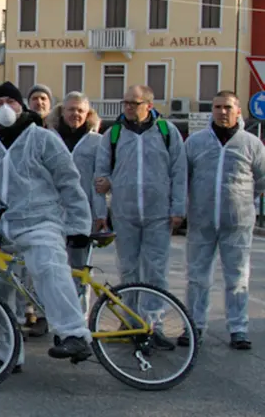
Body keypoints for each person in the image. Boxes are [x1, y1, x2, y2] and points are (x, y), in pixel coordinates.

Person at [0, 81, 93, 373]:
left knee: (49, 270)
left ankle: (74, 334)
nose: (4, 108)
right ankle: (7, 355)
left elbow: (68, 180)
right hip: (2, 230)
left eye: (9, 102)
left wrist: (79, 225)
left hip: (41, 222)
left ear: (21, 106)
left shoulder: (43, 139)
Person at [94, 84, 185, 350]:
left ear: (149, 105)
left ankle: (152, 325)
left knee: (156, 271)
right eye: (126, 103)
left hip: (159, 214)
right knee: (128, 270)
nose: (128, 108)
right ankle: (130, 321)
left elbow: (179, 173)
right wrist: (102, 211)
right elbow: (100, 175)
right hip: (125, 214)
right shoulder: (113, 134)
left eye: (134, 103)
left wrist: (178, 208)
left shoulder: (168, 133)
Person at [182, 90, 265, 350]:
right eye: (217, 107)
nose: (222, 112)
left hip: (237, 223)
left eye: (228, 107)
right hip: (201, 221)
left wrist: (243, 199)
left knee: (237, 277)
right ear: (212, 111)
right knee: (197, 277)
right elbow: (184, 177)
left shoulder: (250, 143)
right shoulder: (195, 142)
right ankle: (194, 325)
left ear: (238, 111)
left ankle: (238, 328)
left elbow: (261, 177)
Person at [46, 92, 106, 316]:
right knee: (52, 270)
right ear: (62, 112)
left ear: (88, 114)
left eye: (80, 110)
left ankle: (80, 320)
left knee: (80, 272)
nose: (75, 114)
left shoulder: (97, 142)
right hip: (52, 215)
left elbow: (100, 180)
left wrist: (101, 214)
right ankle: (54, 319)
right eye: (71, 109)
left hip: (83, 215)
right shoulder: (48, 138)